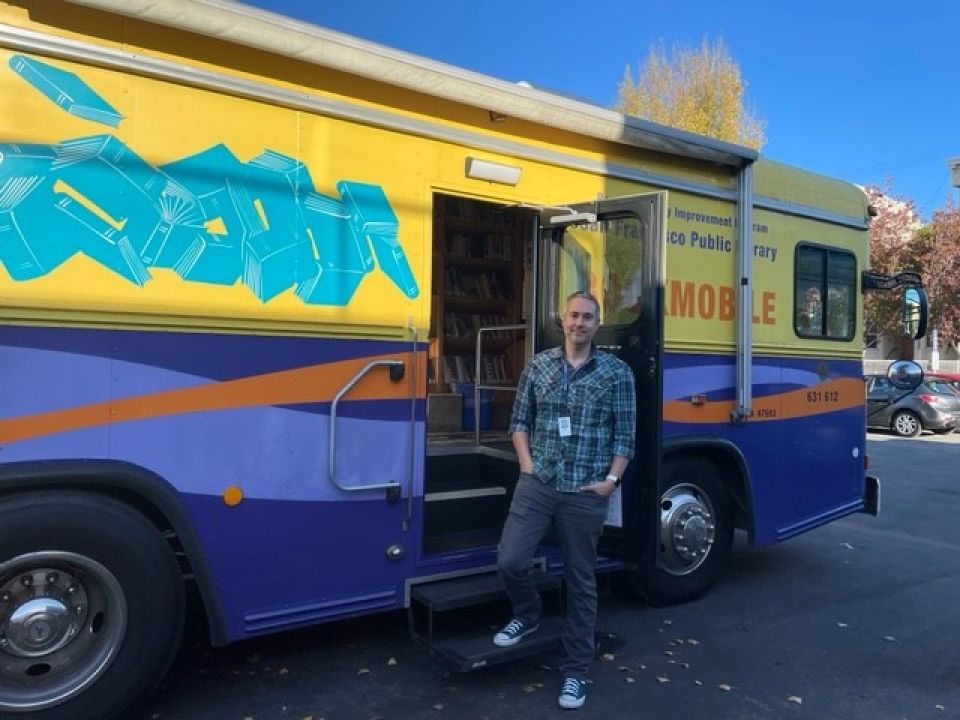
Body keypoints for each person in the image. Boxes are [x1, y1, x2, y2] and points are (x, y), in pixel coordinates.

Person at [493, 290, 637, 710]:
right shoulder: (538, 365)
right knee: (511, 560)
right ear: (562, 318)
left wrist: (611, 481)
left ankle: (575, 671)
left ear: (597, 323)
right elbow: (519, 420)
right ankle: (528, 612)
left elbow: (626, 437)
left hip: (586, 490)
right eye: (574, 315)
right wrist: (526, 465)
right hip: (538, 481)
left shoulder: (616, 374)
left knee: (580, 580)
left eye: (588, 317)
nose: (580, 323)